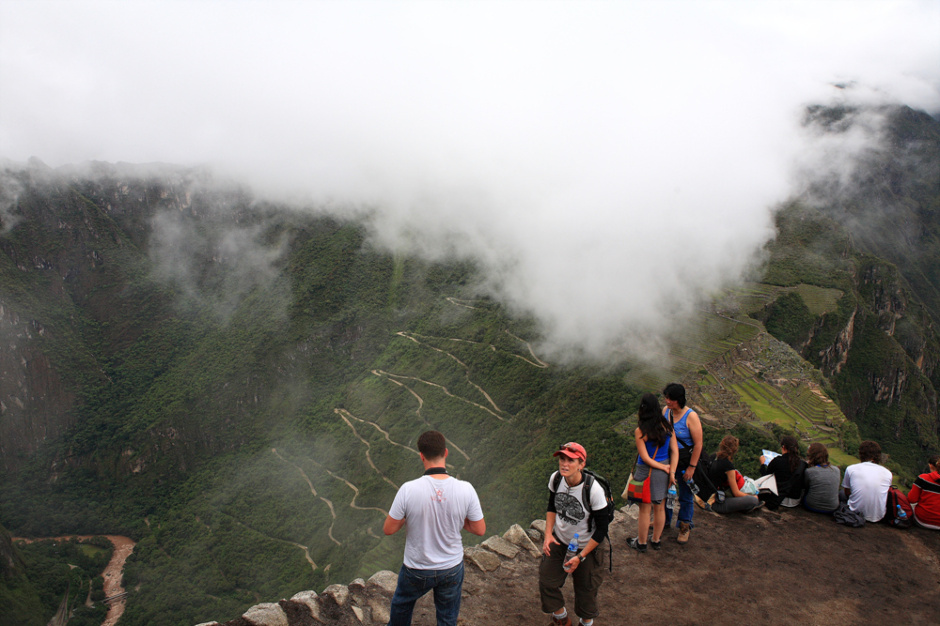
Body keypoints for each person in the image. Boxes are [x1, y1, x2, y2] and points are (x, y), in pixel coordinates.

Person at [384, 430, 485, 626]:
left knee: (401, 607)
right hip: (451, 567)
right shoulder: (466, 489)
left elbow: (389, 529)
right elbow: (479, 529)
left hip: (417, 567)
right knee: (447, 618)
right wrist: (458, 518)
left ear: (421, 455)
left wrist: (411, 514)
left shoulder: (408, 489)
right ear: (446, 453)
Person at [539, 442, 610, 626]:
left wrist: (581, 556)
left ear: (581, 464)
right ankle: (562, 619)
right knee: (547, 581)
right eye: (562, 459)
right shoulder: (556, 479)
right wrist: (548, 534)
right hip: (560, 540)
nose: (565, 464)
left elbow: (602, 530)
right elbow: (552, 506)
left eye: (571, 460)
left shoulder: (593, 490)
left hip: (587, 547)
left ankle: (585, 624)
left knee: (586, 592)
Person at [627, 393, 678, 552]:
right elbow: (675, 451)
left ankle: (641, 543)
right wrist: (671, 472)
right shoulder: (668, 427)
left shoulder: (640, 431)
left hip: (646, 471)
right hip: (665, 470)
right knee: (660, 508)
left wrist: (662, 468)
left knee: (644, 510)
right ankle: (656, 540)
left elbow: (645, 457)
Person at [661, 382, 703, 544]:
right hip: (668, 459)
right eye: (666, 398)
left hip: (685, 461)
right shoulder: (666, 412)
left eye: (670, 399)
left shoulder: (690, 416)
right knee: (666, 492)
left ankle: (685, 526)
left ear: (679, 399)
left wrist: (692, 467)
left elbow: (698, 444)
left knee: (685, 495)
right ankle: (663, 520)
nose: (667, 401)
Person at [707, 435, 762, 514]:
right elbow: (736, 493)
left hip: (705, 495)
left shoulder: (713, 456)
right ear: (735, 450)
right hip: (714, 502)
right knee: (753, 500)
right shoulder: (728, 466)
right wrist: (752, 496)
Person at [841, 440, 892, 523]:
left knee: (841, 494)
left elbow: (847, 492)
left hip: (855, 513)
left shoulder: (851, 469)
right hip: (878, 517)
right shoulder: (888, 473)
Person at [758, 436, 806, 510]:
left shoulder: (777, 461)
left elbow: (765, 478)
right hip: (795, 501)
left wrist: (762, 465)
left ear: (783, 447)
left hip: (778, 499)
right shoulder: (803, 464)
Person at [801, 443, 841, 514]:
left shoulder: (809, 471)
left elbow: (805, 486)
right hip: (832, 507)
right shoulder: (837, 470)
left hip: (812, 506)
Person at [907, 455, 940, 530]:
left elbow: (911, 499)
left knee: (911, 506)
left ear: (931, 465)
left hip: (922, 520)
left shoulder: (923, 478)